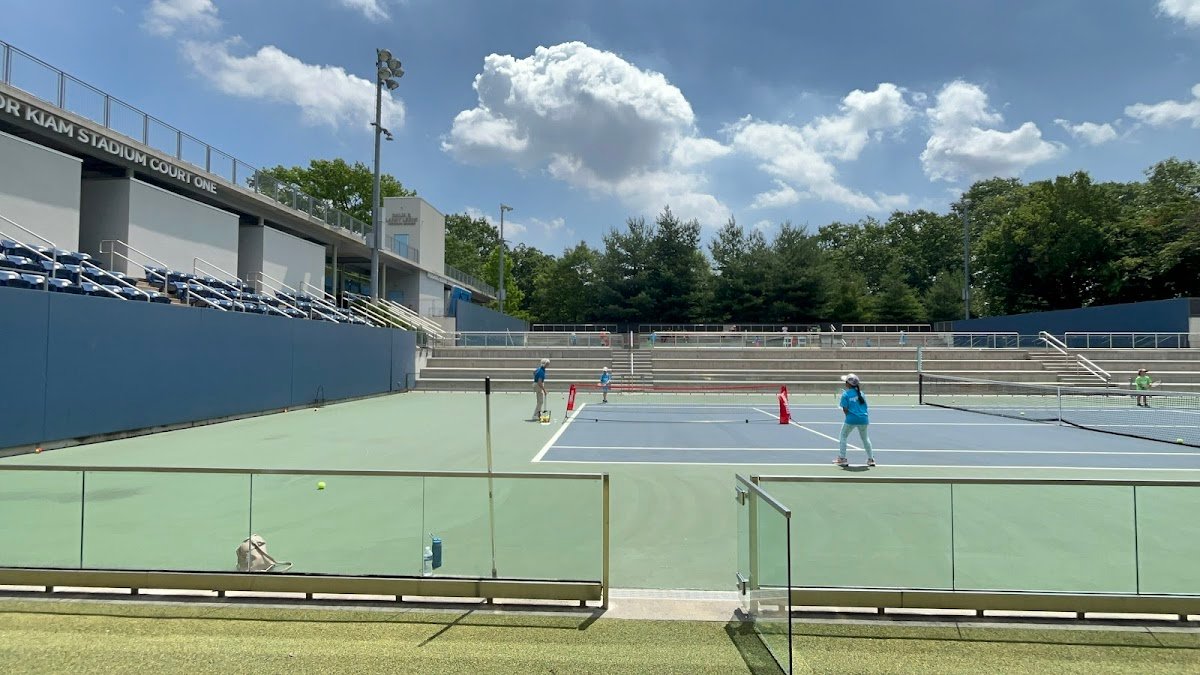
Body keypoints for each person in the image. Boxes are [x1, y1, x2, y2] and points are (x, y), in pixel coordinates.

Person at [835, 373, 876, 467]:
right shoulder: (861, 394)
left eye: (846, 381)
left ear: (848, 384)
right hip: (864, 419)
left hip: (851, 419)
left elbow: (845, 409)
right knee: (865, 439)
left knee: (843, 436)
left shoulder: (845, 394)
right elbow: (865, 407)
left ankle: (842, 458)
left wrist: (850, 418)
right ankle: (871, 459)